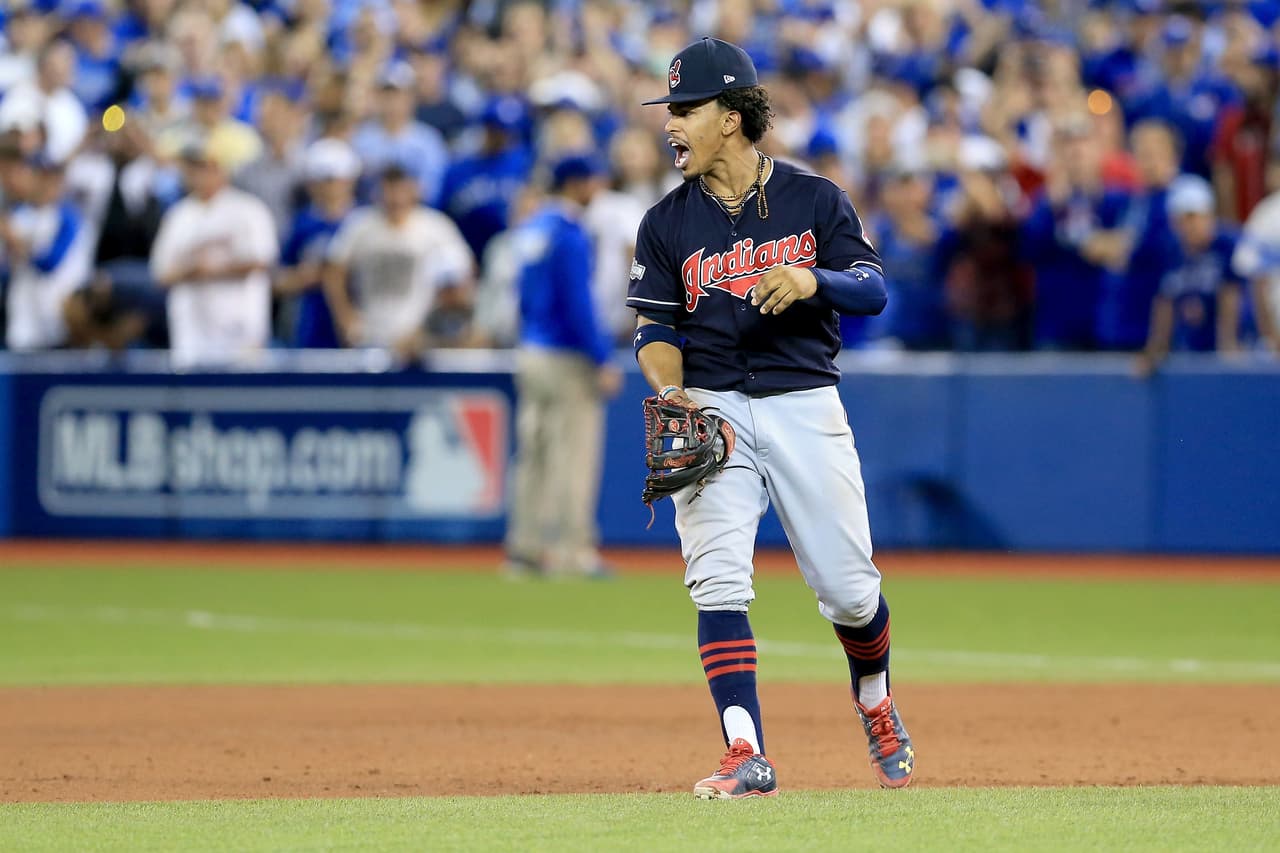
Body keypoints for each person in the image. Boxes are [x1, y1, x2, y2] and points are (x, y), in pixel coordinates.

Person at [626, 37, 913, 799]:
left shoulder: (814, 199)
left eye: (686, 109)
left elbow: (872, 288)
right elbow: (654, 330)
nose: (673, 124)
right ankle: (744, 750)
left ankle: (875, 698)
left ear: (732, 115)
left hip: (802, 400)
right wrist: (672, 389)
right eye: (670, 110)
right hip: (712, 403)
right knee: (717, 578)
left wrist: (810, 279)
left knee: (851, 592)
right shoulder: (664, 222)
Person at [503, 153, 620, 578]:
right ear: (577, 184)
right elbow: (578, 304)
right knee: (574, 454)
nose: (597, 189)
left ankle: (525, 547)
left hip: (531, 350)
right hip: (566, 355)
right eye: (592, 181)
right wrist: (602, 357)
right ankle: (573, 551)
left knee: (533, 453)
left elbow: (522, 298)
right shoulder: (570, 234)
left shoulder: (533, 228)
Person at [149, 137, 278, 368]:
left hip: (240, 332)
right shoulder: (178, 216)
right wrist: (193, 269)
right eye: (192, 167)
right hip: (191, 333)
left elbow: (261, 260)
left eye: (203, 166)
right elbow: (160, 274)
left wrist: (214, 268)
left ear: (221, 168)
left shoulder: (248, 209)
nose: (196, 174)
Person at [323, 163, 474, 358]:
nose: (395, 198)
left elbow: (462, 276)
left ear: (413, 191)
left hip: (418, 340)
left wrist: (432, 329)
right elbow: (333, 272)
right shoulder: (361, 225)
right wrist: (345, 318)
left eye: (401, 191)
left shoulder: (435, 227)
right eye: (389, 191)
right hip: (369, 334)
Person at [1137, 174, 1246, 377]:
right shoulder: (1172, 250)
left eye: (1194, 217)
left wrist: (1229, 344)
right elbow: (1165, 301)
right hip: (1190, 347)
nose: (1189, 226)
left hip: (1231, 346)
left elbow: (1231, 294)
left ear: (1209, 215)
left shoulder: (1227, 245)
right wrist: (1155, 349)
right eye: (1182, 220)